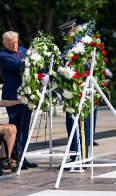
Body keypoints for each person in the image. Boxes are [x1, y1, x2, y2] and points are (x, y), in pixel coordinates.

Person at [0, 31, 38, 169]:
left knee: (25, 127)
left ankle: (22, 155)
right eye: (10, 43)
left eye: (15, 42)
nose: (14, 45)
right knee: (16, 126)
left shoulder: (23, 50)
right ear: (4, 43)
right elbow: (20, 66)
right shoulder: (3, 56)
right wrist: (35, 61)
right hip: (13, 96)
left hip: (27, 95)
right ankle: (15, 157)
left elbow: (33, 65)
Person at [58, 19, 90, 163]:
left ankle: (82, 157)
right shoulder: (68, 48)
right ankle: (73, 156)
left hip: (79, 90)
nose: (66, 36)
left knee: (81, 124)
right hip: (69, 91)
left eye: (68, 32)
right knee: (71, 124)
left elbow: (84, 68)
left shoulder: (82, 46)